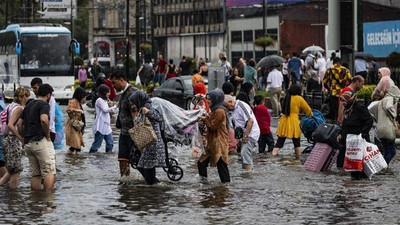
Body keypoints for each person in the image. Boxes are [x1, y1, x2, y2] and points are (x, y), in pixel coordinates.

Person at [17, 84, 56, 190]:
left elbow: (19, 124)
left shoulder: (29, 105)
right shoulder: (44, 104)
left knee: (36, 174)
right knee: (49, 172)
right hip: (40, 141)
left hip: (28, 143)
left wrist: (23, 136)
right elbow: (44, 120)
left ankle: (35, 201)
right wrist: (47, 135)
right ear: (48, 95)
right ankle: (48, 201)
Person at [129, 91, 166, 184]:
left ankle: (155, 186)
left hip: (153, 143)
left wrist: (148, 112)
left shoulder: (148, 106)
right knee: (147, 167)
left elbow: (159, 117)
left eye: (134, 102)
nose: (133, 105)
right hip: (149, 143)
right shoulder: (143, 107)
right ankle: (154, 188)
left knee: (144, 166)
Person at [337, 91, 373, 179]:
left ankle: (361, 184)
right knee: (346, 164)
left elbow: (369, 120)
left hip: (359, 142)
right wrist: (340, 134)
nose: (343, 103)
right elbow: (345, 124)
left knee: (360, 166)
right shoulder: (347, 109)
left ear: (350, 99)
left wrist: (363, 133)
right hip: (349, 143)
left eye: (345, 100)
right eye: (342, 100)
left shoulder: (360, 108)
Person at [198, 89, 230, 182]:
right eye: (207, 99)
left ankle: (225, 188)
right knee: (201, 162)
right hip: (212, 143)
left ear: (216, 99)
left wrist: (205, 120)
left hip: (219, 143)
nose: (207, 101)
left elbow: (212, 127)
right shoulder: (214, 110)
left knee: (222, 166)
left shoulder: (219, 111)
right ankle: (204, 183)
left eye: (210, 99)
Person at [0, 87, 30, 189]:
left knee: (11, 169)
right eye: (24, 96)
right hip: (13, 140)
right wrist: (20, 137)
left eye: (27, 96)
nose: (26, 98)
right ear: (20, 97)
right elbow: (10, 125)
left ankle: (2, 186)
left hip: (6, 139)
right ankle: (13, 195)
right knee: (16, 170)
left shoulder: (10, 106)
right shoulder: (19, 108)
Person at [272, 85, 313, 159]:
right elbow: (308, 109)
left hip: (284, 121)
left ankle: (273, 155)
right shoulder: (299, 98)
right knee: (296, 142)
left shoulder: (287, 97)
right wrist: (310, 115)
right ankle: (298, 158)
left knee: (280, 141)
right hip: (293, 121)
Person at [110, 71, 137, 177]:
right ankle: (125, 183)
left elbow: (136, 113)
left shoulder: (132, 93)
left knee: (137, 161)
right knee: (122, 159)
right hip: (124, 132)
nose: (113, 86)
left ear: (121, 80)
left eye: (114, 83)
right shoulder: (123, 94)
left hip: (133, 133)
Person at [224, 95, 260, 171]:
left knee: (245, 152)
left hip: (251, 133)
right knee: (243, 154)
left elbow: (250, 121)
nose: (227, 110)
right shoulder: (233, 110)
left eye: (227, 107)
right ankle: (246, 172)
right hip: (244, 134)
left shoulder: (241, 105)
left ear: (231, 102)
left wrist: (246, 136)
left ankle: (249, 173)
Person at [369, 85, 400, 165]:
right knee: (392, 151)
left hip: (380, 130)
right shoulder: (389, 99)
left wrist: (378, 118)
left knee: (386, 151)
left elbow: (371, 110)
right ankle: (382, 166)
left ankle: (382, 166)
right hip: (387, 130)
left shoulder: (381, 101)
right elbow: (388, 107)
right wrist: (394, 115)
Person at [89, 85, 117, 153]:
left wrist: (112, 110)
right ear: (104, 92)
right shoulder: (99, 100)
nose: (109, 94)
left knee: (110, 143)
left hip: (107, 125)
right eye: (108, 92)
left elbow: (108, 111)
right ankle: (91, 156)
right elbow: (105, 110)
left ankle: (107, 156)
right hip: (100, 126)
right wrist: (116, 106)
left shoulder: (105, 101)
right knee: (97, 144)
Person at [31, 78, 57, 143]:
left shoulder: (50, 99)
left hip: (48, 130)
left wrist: (48, 132)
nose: (33, 90)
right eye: (32, 88)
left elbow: (51, 115)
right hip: (37, 131)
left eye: (35, 88)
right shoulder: (34, 100)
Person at [65, 87, 86, 155]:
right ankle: (78, 162)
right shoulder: (73, 101)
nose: (84, 98)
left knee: (74, 145)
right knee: (77, 145)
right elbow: (68, 109)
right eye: (83, 96)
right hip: (73, 125)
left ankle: (71, 160)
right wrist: (78, 110)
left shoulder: (78, 102)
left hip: (77, 126)